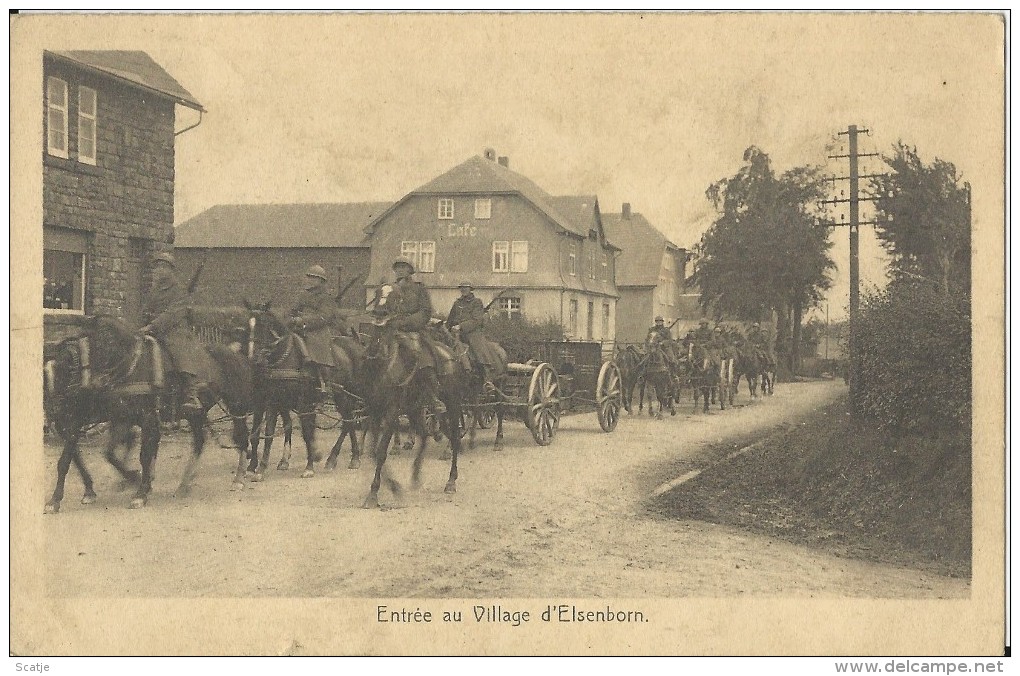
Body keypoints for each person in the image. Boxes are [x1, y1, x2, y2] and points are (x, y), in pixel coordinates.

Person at [140, 252, 214, 414]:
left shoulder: (179, 291)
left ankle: (191, 392)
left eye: (161, 267)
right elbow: (146, 310)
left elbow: (172, 314)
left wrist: (151, 326)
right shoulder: (154, 291)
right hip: (154, 331)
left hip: (175, 331)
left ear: (169, 270)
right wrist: (143, 323)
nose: (157, 271)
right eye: (155, 267)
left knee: (178, 350)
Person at [386, 257, 446, 414]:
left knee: (425, 358)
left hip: (414, 331)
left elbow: (425, 312)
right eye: (397, 267)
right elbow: (386, 309)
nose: (399, 270)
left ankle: (433, 397)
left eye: (403, 267)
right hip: (392, 331)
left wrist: (406, 322)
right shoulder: (390, 289)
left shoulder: (419, 289)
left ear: (409, 271)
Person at [288, 264, 347, 396]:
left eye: (314, 278)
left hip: (317, 331)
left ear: (321, 281)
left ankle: (324, 381)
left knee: (316, 345)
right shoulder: (303, 295)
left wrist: (303, 320)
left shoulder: (326, 297)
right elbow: (293, 310)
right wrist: (291, 318)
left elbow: (324, 317)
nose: (310, 280)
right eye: (309, 277)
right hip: (299, 329)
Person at [446, 281, 499, 391]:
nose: (463, 290)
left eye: (466, 288)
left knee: (479, 349)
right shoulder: (457, 303)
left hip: (472, 332)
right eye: (462, 288)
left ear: (471, 289)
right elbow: (450, 319)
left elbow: (477, 320)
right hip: (456, 333)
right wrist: (445, 328)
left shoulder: (476, 302)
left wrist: (461, 326)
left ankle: (487, 377)